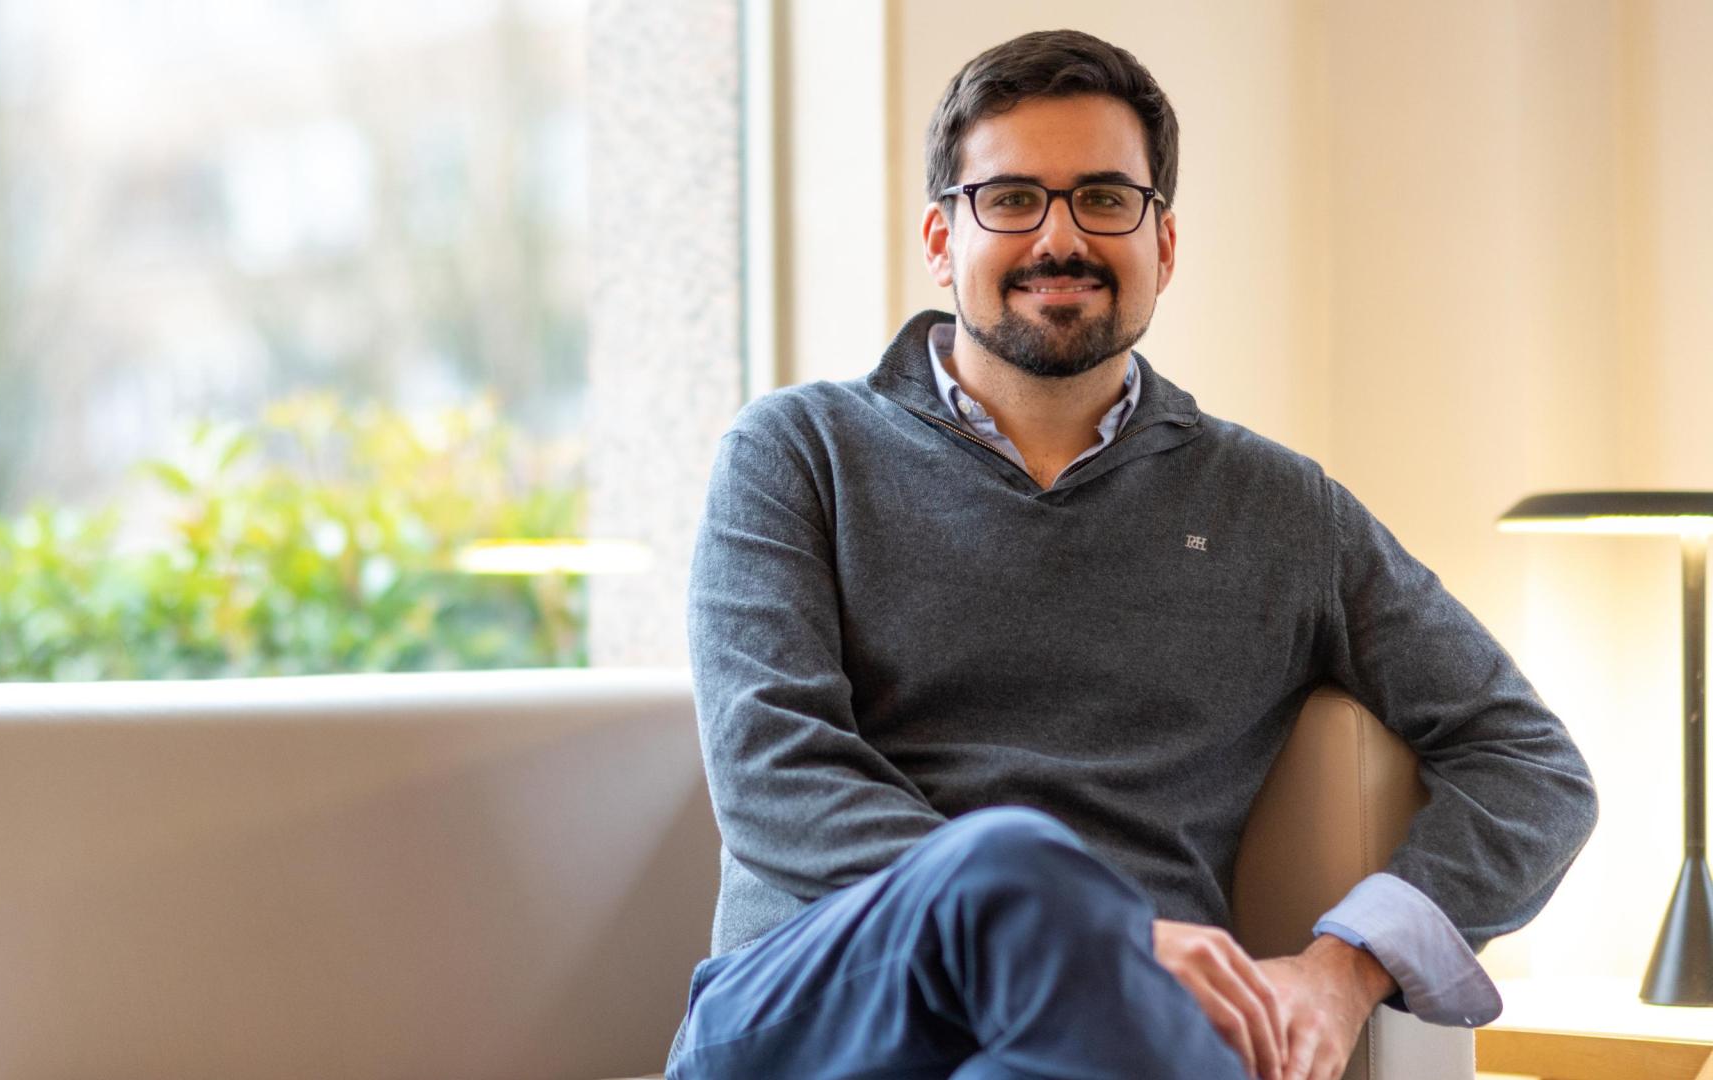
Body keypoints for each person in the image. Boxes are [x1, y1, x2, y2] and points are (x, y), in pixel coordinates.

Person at [668, 28, 1597, 1080]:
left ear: (1165, 244)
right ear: (939, 239)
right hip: (822, 1006)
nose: (1059, 238)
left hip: (1123, 1037)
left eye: (1106, 199)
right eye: (1011, 199)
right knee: (1011, 852)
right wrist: (1087, 930)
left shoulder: (1280, 510)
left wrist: (1345, 965)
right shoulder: (797, 452)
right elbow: (772, 768)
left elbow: (1532, 766)